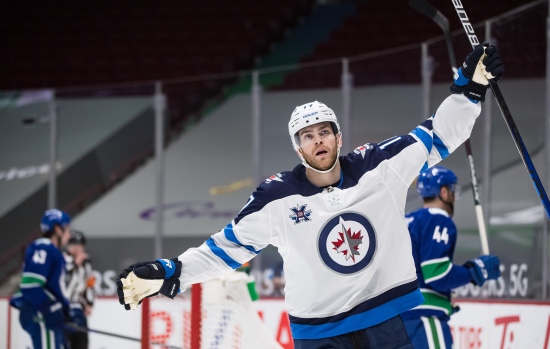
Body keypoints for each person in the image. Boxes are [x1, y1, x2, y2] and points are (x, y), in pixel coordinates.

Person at [117, 43, 504, 348]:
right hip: (319, 335)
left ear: (338, 137)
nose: (317, 140)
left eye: (323, 131)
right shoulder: (276, 197)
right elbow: (226, 249)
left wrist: (469, 91)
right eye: (307, 136)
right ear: (298, 149)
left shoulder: (379, 167)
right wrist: (173, 273)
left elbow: (437, 136)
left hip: (387, 318)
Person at [400, 166, 501, 349]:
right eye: (452, 191)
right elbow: (436, 274)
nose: (454, 198)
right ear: (443, 192)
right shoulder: (439, 220)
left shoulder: (409, 219)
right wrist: (475, 271)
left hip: (399, 321)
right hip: (424, 319)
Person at [10, 209, 80, 349]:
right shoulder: (43, 247)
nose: (69, 234)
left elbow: (54, 288)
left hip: (45, 313)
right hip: (40, 313)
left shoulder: (54, 251)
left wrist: (66, 310)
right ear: (57, 229)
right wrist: (50, 308)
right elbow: (31, 285)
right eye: (67, 228)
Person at [64, 230, 96, 349]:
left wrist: (89, 303)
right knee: (65, 342)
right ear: (69, 246)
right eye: (75, 245)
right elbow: (62, 281)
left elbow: (90, 283)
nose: (78, 249)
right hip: (64, 308)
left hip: (79, 309)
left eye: (80, 246)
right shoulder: (62, 260)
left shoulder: (86, 263)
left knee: (82, 343)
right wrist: (74, 263)